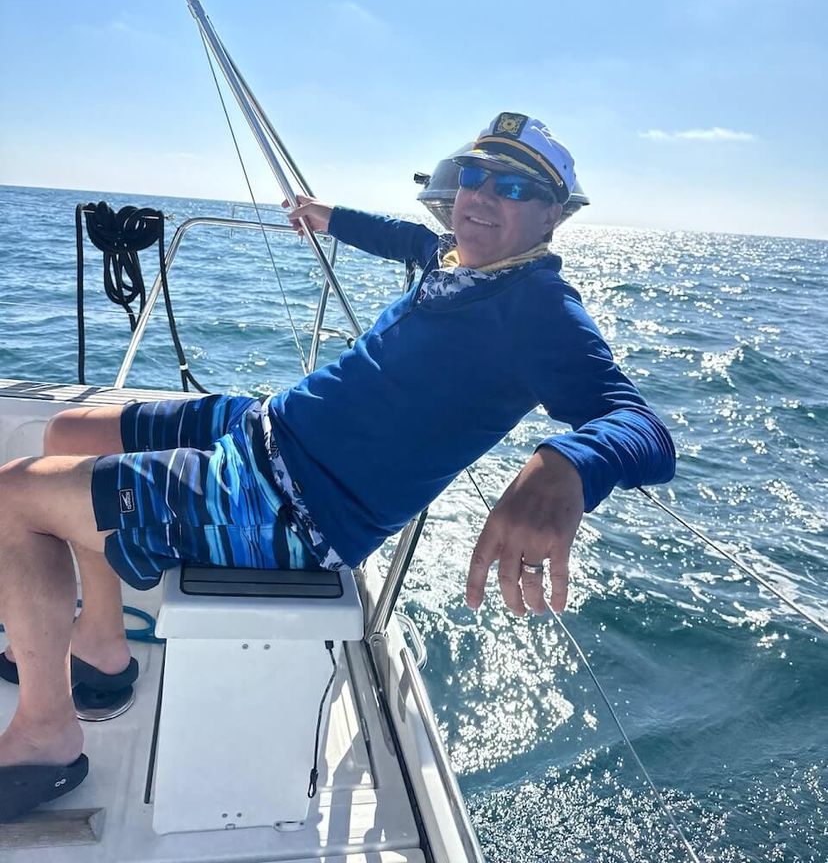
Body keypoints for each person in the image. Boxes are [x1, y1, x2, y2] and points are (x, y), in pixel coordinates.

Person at [0, 112, 675, 818]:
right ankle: (102, 647)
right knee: (68, 431)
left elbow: (642, 425)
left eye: (511, 187)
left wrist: (563, 463)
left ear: (553, 215)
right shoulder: (455, 259)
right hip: (264, 427)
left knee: (13, 499)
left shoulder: (540, 308)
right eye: (474, 175)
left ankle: (47, 736)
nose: (480, 196)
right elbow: (401, 238)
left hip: (290, 507)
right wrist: (325, 217)